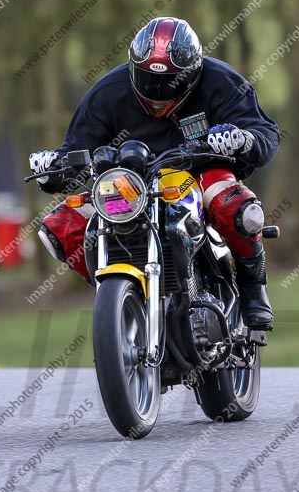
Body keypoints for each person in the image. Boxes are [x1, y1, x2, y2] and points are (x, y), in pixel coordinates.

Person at [29, 17, 280, 329]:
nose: (157, 90)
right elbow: (76, 149)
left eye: (169, 81)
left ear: (193, 73)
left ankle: (253, 287)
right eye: (148, 78)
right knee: (60, 228)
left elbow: (263, 131)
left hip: (202, 172)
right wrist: (51, 170)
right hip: (129, 183)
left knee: (235, 206)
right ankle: (122, 296)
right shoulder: (108, 91)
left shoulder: (222, 81)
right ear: (134, 67)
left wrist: (242, 139)